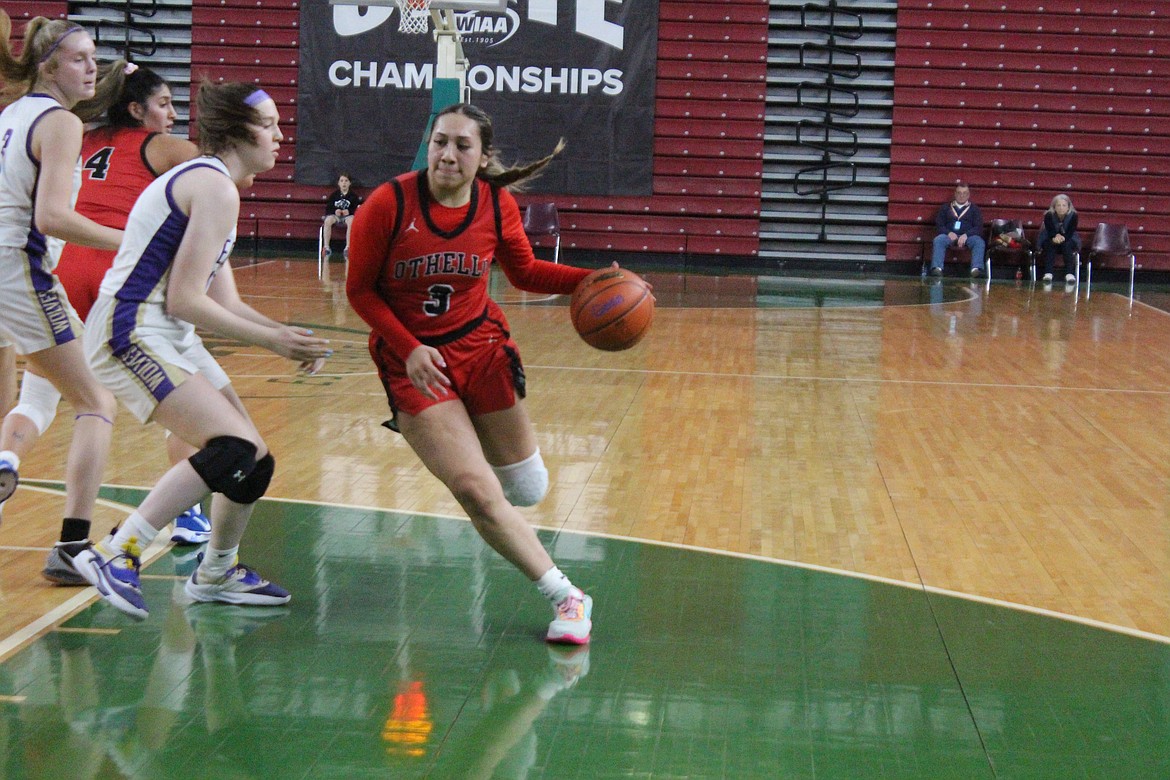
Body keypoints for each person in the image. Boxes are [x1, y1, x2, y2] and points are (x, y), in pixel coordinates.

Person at [67, 81, 332, 620]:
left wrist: (284, 334)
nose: (281, 135)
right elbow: (187, 300)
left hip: (166, 332)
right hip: (130, 329)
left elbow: (220, 298)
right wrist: (273, 342)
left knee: (253, 462)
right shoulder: (213, 187)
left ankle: (216, 572)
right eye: (269, 124)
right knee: (232, 447)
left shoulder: (215, 185)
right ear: (237, 130)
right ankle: (121, 550)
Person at [346, 102, 601, 645]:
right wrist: (410, 347)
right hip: (415, 363)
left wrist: (594, 279)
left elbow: (526, 271)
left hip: (482, 348)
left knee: (527, 487)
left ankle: (475, 452)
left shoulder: (494, 202)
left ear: (483, 156)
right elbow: (360, 291)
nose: (447, 154)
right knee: (477, 491)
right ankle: (567, 596)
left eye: (463, 145)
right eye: (439, 141)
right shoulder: (388, 205)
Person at [14, 67, 207, 586]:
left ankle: (9, 454)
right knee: (178, 392)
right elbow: (214, 177)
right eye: (164, 104)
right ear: (137, 109)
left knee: (39, 400)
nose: (171, 114)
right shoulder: (164, 148)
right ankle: (185, 512)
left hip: (61, 268)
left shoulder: (79, 135)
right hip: (118, 266)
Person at [0, 13, 125, 573]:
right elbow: (51, 216)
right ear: (48, 66)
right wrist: (132, 240)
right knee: (96, 401)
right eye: (80, 57)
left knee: (32, 397)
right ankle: (73, 548)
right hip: (18, 268)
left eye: (95, 56)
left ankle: (6, 457)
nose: (92, 66)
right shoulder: (58, 122)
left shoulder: (12, 114)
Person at [929, 182, 985, 278]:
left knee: (979, 242)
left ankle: (976, 269)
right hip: (949, 235)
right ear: (955, 194)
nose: (961, 195)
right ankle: (937, 268)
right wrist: (948, 233)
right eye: (959, 193)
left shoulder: (974, 209)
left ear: (968, 195)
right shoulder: (945, 208)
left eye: (964, 193)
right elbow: (939, 224)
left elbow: (978, 227)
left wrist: (966, 235)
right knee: (939, 240)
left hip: (968, 236)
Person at [1037, 193, 1080, 284]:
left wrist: (1063, 238)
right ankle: (1048, 273)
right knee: (1050, 244)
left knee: (1067, 244)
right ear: (1054, 207)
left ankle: (1069, 273)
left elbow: (1070, 231)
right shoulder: (1048, 215)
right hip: (1050, 237)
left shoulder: (1074, 216)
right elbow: (1050, 230)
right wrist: (1055, 237)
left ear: (1068, 207)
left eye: (1064, 205)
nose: (1061, 208)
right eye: (1058, 205)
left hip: (1069, 238)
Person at [321, 173, 361, 260]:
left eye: (346, 181)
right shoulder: (334, 195)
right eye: (342, 181)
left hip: (348, 217)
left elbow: (357, 209)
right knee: (327, 221)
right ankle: (326, 247)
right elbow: (328, 208)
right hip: (336, 216)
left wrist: (349, 211)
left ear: (350, 183)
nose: (344, 183)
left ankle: (348, 247)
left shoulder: (353, 196)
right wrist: (335, 211)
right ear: (338, 183)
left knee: (351, 221)